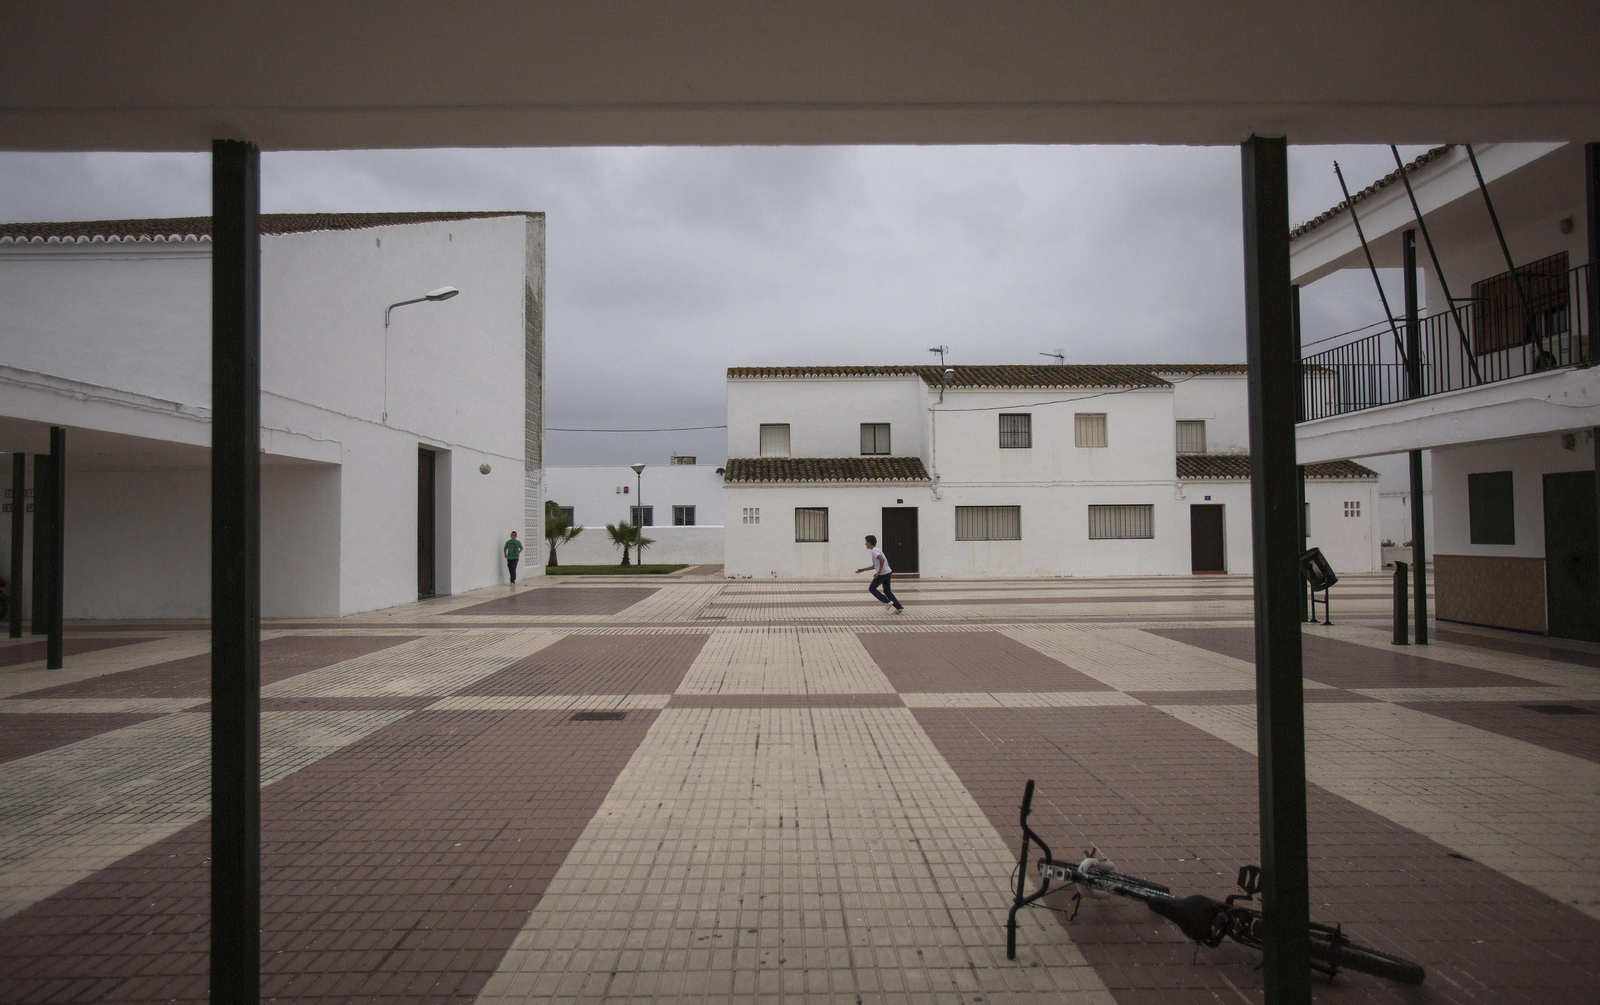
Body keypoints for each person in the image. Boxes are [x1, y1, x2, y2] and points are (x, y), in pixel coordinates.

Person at [855, 534, 903, 613]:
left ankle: (887, 602)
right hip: (887, 572)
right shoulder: (876, 550)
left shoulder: (874, 551)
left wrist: (879, 572)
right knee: (887, 591)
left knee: (872, 588)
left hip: (883, 574)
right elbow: (875, 565)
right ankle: (899, 607)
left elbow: (882, 560)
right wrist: (862, 570)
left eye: (866, 542)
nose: (865, 544)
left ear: (869, 542)